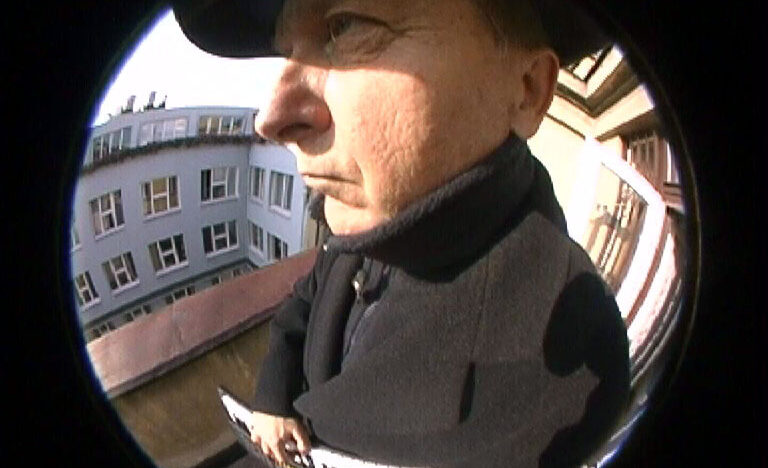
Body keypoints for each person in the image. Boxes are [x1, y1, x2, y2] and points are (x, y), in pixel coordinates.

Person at [173, 0, 631, 466]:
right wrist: (273, 396)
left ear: (527, 89)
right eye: (288, 52)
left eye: (344, 28)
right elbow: (305, 300)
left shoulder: (571, 358)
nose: (271, 118)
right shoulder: (369, 215)